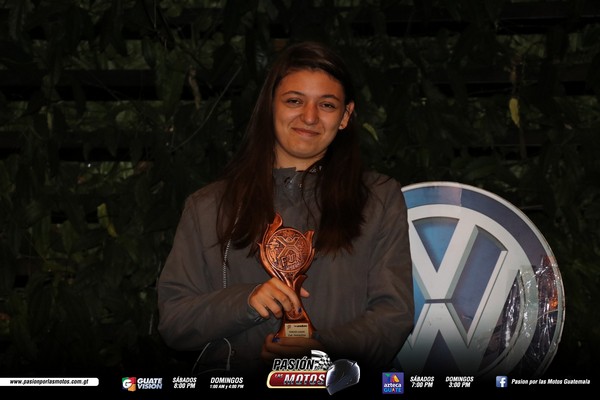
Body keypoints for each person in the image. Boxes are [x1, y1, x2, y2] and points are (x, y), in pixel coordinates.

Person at [156, 41, 414, 383]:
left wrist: (323, 350)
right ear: (269, 106)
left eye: (327, 104)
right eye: (294, 100)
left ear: (345, 116)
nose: (309, 117)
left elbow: (393, 315)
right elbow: (174, 321)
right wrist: (246, 301)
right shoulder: (209, 206)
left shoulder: (378, 198)